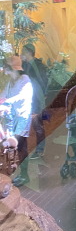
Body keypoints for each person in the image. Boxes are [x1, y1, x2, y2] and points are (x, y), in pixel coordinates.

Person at [0, 55, 33, 186]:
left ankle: (24, 175)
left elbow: (21, 96)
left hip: (22, 117)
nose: (5, 70)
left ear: (12, 68)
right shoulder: (11, 81)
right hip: (12, 117)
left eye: (6, 67)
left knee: (21, 146)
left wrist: (5, 103)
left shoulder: (25, 80)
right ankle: (14, 173)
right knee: (12, 145)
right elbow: (3, 94)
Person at [21, 43, 48, 158]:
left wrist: (42, 97)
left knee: (38, 125)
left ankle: (40, 150)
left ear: (29, 52)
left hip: (36, 99)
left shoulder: (37, 65)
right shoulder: (25, 65)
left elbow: (42, 82)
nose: (22, 54)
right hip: (28, 99)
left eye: (23, 52)